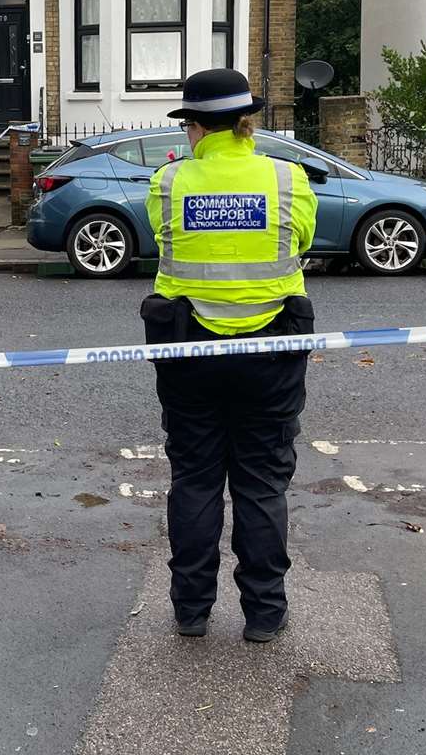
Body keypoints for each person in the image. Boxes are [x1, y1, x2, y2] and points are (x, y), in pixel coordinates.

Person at [140, 67, 317, 643]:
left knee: (194, 477)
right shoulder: (289, 180)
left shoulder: (167, 184)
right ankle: (264, 613)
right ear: (247, 122)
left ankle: (191, 611)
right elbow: (304, 242)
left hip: (188, 345)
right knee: (262, 481)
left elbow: (165, 241)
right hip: (272, 347)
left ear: (193, 125)